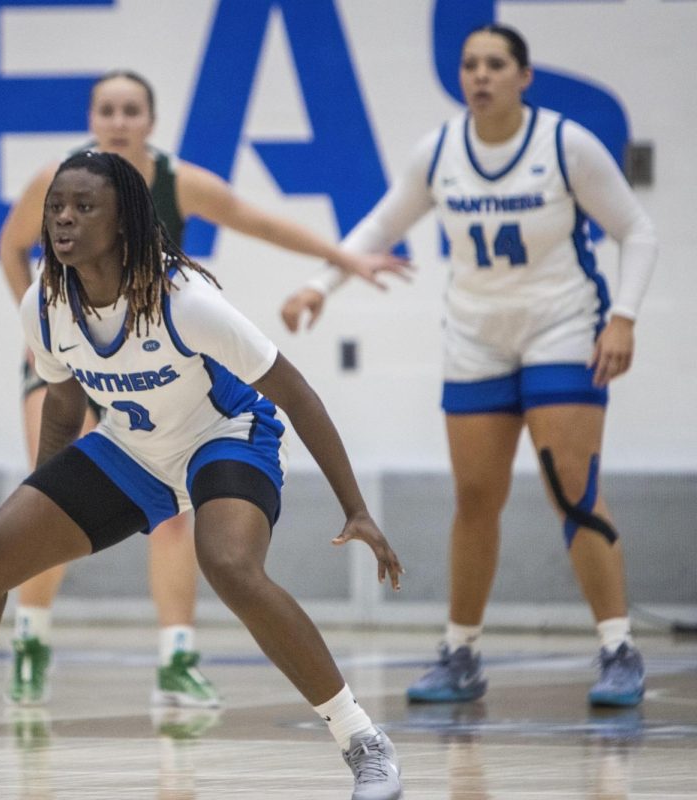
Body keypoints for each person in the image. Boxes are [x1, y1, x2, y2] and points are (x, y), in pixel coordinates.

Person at [0, 150, 406, 800]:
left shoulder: (186, 300)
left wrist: (357, 507)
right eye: (56, 206)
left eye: (84, 206)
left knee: (229, 564)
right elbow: (64, 403)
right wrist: (40, 499)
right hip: (135, 447)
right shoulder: (45, 303)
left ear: (123, 221)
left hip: (227, 436)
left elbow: (297, 392)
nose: (64, 218)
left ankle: (364, 742)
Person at [0, 69, 408, 709]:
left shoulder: (177, 182)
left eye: (132, 109)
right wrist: (41, 324)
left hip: (162, 357)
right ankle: (29, 641)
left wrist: (346, 261)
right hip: (77, 362)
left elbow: (259, 222)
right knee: (49, 496)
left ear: (151, 121)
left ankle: (177, 657)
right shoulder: (58, 182)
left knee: (174, 522)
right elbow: (11, 246)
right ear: (92, 117)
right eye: (107, 109)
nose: (119, 120)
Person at [281, 24, 656, 708]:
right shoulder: (441, 151)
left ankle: (618, 646)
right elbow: (379, 226)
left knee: (572, 489)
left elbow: (637, 229)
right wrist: (320, 284)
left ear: (523, 75)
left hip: (563, 327)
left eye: (494, 64)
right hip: (476, 338)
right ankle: (461, 652)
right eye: (469, 65)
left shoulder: (564, 144)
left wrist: (624, 316)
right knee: (475, 499)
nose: (479, 76)